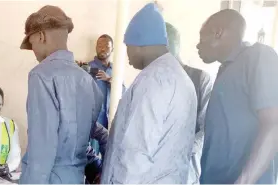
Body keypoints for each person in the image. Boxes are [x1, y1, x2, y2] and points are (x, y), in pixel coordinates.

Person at [101, 3, 197, 184]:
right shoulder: (180, 77)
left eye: (127, 46)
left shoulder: (153, 80)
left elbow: (136, 152)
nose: (127, 55)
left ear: (139, 43)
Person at [18, 5, 103, 184]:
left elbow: (42, 149)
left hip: (49, 178)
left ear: (41, 36)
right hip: (77, 178)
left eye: (31, 43)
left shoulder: (41, 75)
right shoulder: (87, 80)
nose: (33, 51)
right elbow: (95, 131)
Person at [197, 9, 278, 184]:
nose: (198, 45)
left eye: (201, 36)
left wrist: (244, 181)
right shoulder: (226, 69)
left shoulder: (258, 57)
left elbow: (273, 123)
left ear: (217, 32)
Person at [165, 22, 214, 184]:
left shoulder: (200, 79)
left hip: (187, 171)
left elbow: (206, 128)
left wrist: (180, 150)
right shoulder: (157, 82)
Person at [77, 34, 126, 157]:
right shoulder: (88, 67)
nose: (102, 49)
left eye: (106, 46)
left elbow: (124, 92)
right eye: (99, 46)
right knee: (91, 158)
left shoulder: (116, 70)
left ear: (112, 49)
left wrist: (109, 79)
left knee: (109, 158)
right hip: (93, 124)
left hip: (111, 122)